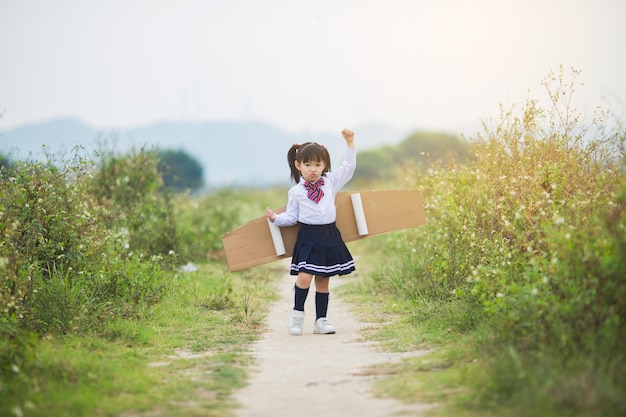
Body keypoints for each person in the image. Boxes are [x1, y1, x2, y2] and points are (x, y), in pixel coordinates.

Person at [265, 129, 357, 336]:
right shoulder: (296, 191)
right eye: (308, 165)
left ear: (324, 165)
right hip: (308, 237)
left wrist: (350, 143)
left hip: (329, 236)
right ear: (298, 166)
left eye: (318, 164)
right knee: (304, 277)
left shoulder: (330, 182)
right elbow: (292, 217)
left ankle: (321, 321)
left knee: (323, 279)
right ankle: (297, 316)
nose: (313, 170)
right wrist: (275, 219)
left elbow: (349, 167)